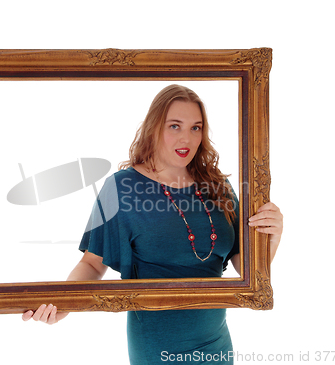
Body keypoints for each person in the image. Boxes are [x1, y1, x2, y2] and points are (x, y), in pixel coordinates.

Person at [22, 84, 283, 364]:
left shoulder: (218, 186)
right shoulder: (120, 188)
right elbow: (92, 264)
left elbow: (246, 268)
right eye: (175, 126)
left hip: (216, 345)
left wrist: (273, 237)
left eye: (196, 127)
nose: (187, 138)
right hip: (157, 349)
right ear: (154, 127)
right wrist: (65, 305)